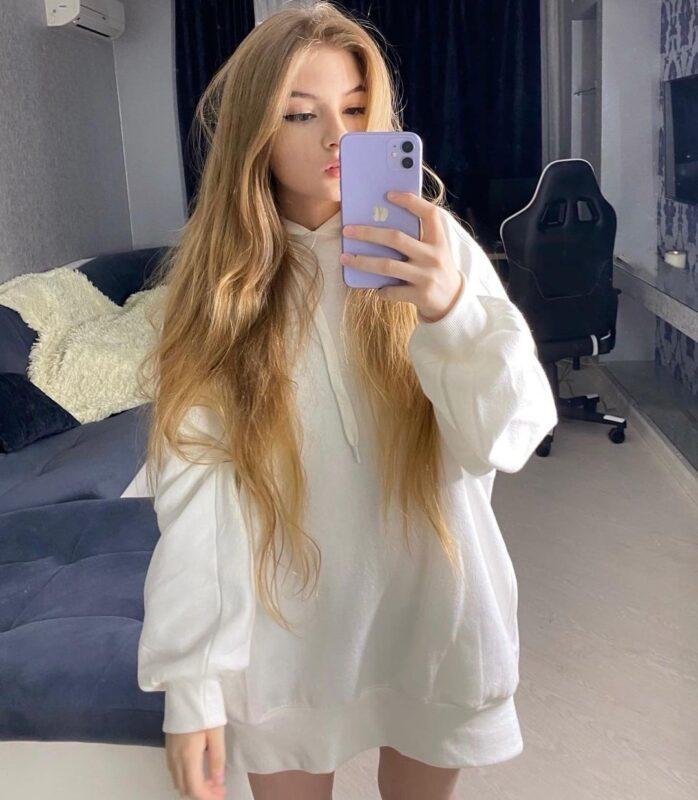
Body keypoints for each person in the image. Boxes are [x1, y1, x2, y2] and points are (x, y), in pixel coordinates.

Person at [132, 3, 558, 799]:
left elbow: (508, 436)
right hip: (288, 632)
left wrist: (450, 310)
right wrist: (190, 685)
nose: (336, 137)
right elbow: (197, 491)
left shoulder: (433, 248)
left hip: (435, 608)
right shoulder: (217, 290)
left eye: (356, 109)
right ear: (255, 131)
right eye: (301, 113)